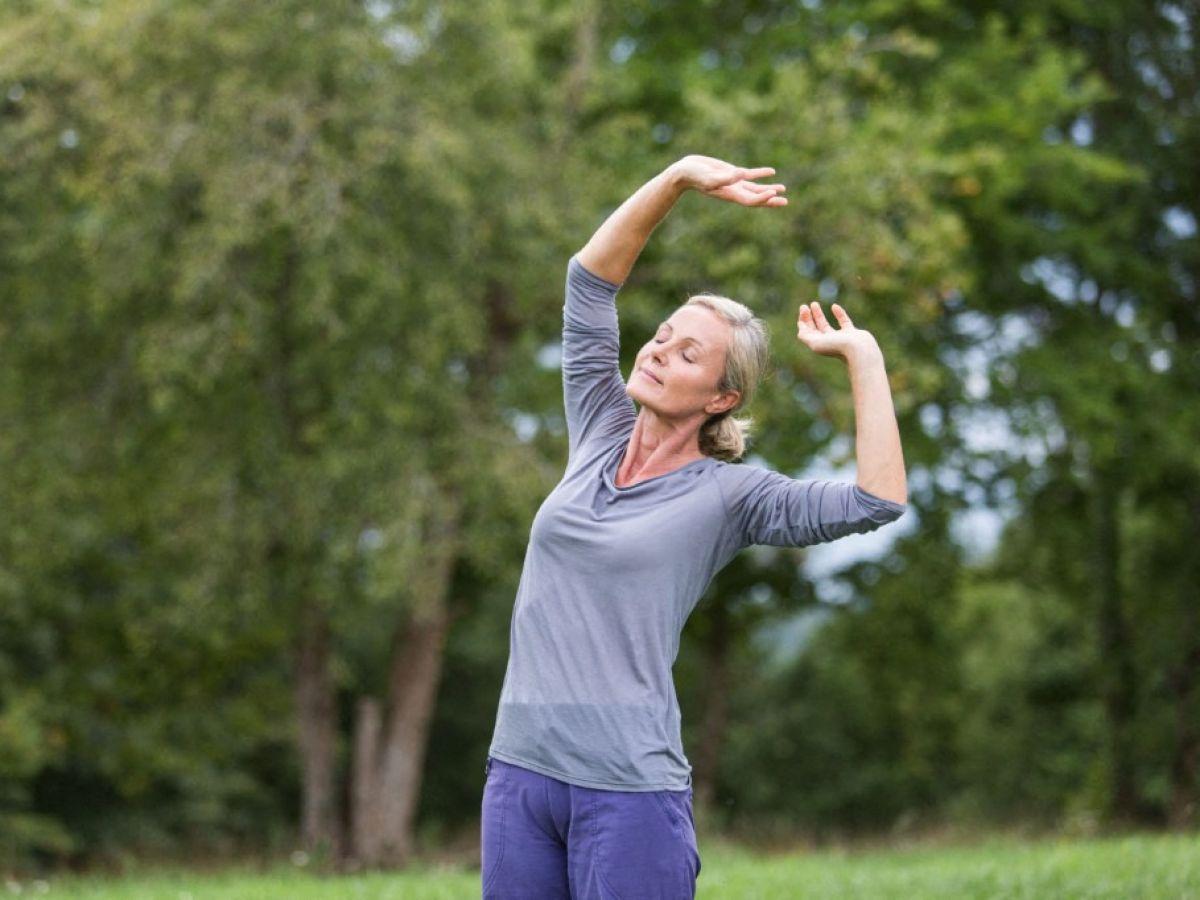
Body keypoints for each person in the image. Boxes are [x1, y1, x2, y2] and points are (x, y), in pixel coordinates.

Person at [481, 154, 908, 899]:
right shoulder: (598, 427)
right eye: (662, 335)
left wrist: (864, 360)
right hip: (520, 776)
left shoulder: (729, 496)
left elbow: (879, 499)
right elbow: (589, 282)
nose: (656, 351)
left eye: (688, 354)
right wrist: (677, 178)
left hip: (628, 795)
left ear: (721, 398)